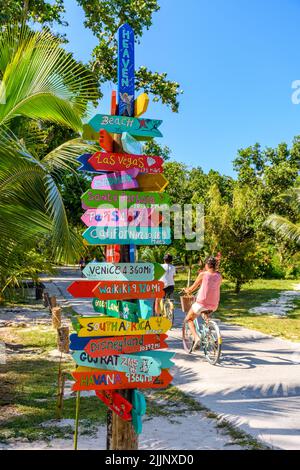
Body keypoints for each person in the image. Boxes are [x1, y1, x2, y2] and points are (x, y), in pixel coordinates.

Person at [184, 256, 222, 350]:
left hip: (201, 303)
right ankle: (211, 337)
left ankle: (197, 338)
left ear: (206, 265)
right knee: (205, 315)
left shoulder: (203, 274)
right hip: (214, 304)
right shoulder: (219, 276)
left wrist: (187, 290)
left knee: (188, 319)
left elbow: (193, 288)